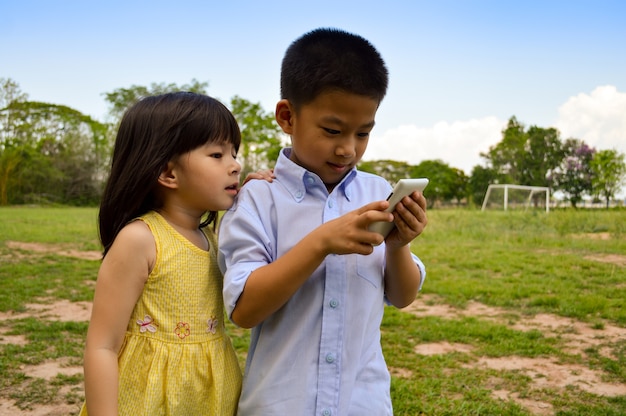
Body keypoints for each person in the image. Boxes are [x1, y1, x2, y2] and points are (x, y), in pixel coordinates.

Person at [218, 28, 428, 415]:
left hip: (362, 403)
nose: (348, 148)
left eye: (363, 133)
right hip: (280, 404)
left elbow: (402, 297)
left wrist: (399, 245)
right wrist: (320, 243)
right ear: (287, 116)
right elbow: (244, 311)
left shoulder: (377, 193)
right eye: (332, 130)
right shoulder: (258, 199)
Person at [80, 92, 244, 415]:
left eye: (234, 153)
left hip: (207, 398)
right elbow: (102, 346)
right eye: (217, 154)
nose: (235, 165)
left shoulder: (212, 237)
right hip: (146, 401)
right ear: (169, 173)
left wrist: (261, 191)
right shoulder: (141, 239)